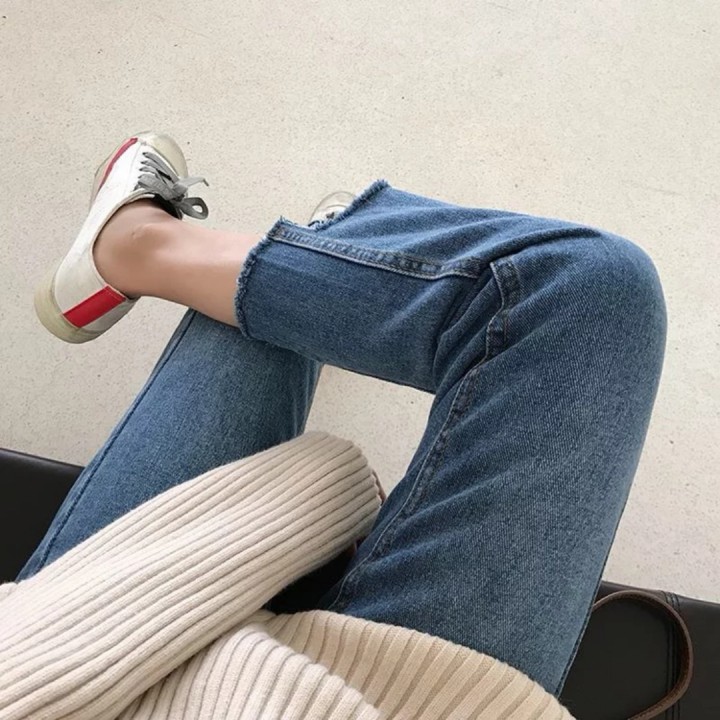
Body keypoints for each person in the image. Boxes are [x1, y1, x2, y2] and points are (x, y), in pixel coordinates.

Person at [1, 132, 666, 719]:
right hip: (412, 696)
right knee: (592, 294)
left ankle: (155, 249)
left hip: (92, 660)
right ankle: (321, 263)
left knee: (578, 286)